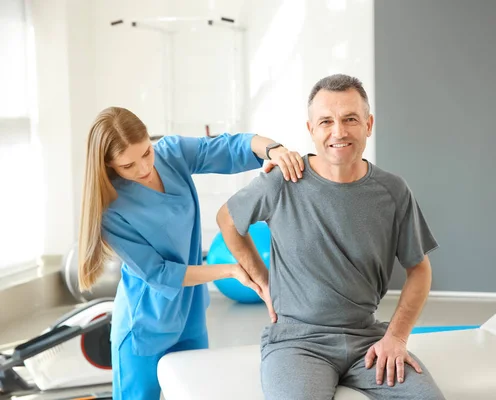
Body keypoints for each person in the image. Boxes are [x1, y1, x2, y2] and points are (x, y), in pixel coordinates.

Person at [216, 74, 445, 399]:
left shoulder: (393, 191)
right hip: (297, 341)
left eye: (350, 119)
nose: (338, 131)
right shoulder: (282, 180)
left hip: (367, 338)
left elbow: (419, 269)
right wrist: (263, 282)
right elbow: (227, 220)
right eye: (326, 121)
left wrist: (397, 337)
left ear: (368, 124)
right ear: (311, 130)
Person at [77, 106, 304, 400]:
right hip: (144, 328)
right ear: (108, 165)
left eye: (146, 153)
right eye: (127, 166)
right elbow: (160, 273)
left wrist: (274, 150)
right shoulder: (111, 211)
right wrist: (231, 269)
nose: (144, 168)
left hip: (190, 316)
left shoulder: (171, 154)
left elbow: (230, 147)